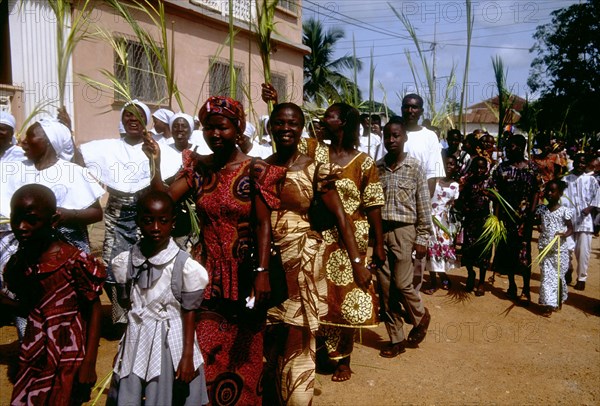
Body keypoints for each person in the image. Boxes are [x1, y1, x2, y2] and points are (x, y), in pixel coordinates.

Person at [143, 95, 286, 405]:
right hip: (205, 272)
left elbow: (264, 225)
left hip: (246, 272)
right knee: (204, 349)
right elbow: (165, 201)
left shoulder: (255, 170)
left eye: (221, 127)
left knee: (244, 354)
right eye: (208, 128)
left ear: (238, 128)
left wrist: (262, 273)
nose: (215, 134)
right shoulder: (197, 168)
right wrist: (153, 163)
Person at [263, 102, 371, 404]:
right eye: (280, 123)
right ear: (270, 126)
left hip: (303, 268)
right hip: (268, 266)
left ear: (302, 130)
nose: (286, 129)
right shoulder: (261, 167)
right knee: (272, 340)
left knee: (299, 341)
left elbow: (341, 218)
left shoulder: (316, 168)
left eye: (293, 124)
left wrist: (357, 262)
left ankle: (298, 397)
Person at [79, 99, 181, 323]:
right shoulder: (108, 148)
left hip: (146, 216)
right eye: (128, 115)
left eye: (138, 116)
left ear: (146, 120)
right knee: (112, 263)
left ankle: (144, 308)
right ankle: (120, 314)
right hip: (116, 216)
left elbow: (165, 186)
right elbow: (78, 158)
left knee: (146, 262)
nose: (132, 119)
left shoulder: (159, 148)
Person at [2, 184, 105, 405]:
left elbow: (94, 307)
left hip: (69, 349)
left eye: (31, 219)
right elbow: (30, 307)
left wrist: (89, 362)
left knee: (63, 397)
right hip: (35, 348)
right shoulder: (21, 263)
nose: (21, 227)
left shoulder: (74, 262)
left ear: (53, 220)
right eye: (16, 218)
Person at [107, 191, 209, 405]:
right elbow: (128, 306)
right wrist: (123, 349)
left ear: (172, 223)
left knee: (163, 394)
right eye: (148, 221)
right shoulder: (126, 261)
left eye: (162, 221)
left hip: (170, 343)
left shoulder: (183, 265)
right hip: (136, 339)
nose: (155, 228)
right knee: (130, 391)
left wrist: (187, 356)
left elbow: (189, 312)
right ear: (137, 222)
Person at [316, 102, 384, 382]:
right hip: (320, 233)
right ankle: (320, 351)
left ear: (343, 122)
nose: (323, 118)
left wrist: (378, 245)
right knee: (321, 294)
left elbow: (373, 204)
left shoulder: (364, 163)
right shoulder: (315, 152)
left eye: (330, 115)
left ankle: (344, 359)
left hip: (352, 238)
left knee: (347, 296)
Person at [376, 117, 432, 357]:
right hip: (380, 232)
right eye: (387, 136)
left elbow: (424, 205)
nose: (391, 140)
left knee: (402, 283)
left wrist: (423, 238)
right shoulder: (377, 168)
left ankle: (420, 316)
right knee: (386, 289)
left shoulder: (415, 167)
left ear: (405, 137)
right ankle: (396, 338)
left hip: (405, 231)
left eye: (396, 135)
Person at [490, 134, 540, 305]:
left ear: (519, 147)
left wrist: (531, 215)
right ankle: (511, 284)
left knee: (525, 254)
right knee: (509, 251)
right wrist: (496, 217)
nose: (507, 149)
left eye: (510, 146)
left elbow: (536, 192)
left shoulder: (532, 168)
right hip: (506, 218)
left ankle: (526, 288)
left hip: (524, 219)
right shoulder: (501, 168)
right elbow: (495, 193)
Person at [535, 180, 573, 317]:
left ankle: (558, 299)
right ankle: (549, 304)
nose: (549, 194)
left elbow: (570, 229)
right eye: (548, 191)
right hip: (545, 247)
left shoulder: (564, 211)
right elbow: (538, 221)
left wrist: (563, 234)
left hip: (559, 249)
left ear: (560, 194)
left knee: (558, 276)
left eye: (553, 191)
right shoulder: (542, 209)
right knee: (546, 275)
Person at [456, 156, 493, 296]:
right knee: (468, 251)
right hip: (470, 223)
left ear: (486, 169)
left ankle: (481, 282)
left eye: (482, 167)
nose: (479, 170)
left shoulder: (489, 182)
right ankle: (470, 273)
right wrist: (463, 207)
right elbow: (460, 201)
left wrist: (489, 194)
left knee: (484, 253)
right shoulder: (468, 183)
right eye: (476, 167)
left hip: (485, 223)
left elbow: (497, 199)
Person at [563, 153, 600, 291]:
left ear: (586, 165)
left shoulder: (591, 180)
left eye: (583, 163)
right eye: (578, 162)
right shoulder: (566, 179)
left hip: (584, 221)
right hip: (568, 221)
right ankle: (568, 269)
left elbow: (597, 197)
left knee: (583, 252)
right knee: (565, 248)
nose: (580, 165)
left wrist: (589, 208)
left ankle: (582, 278)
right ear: (574, 163)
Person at [424, 155, 460, 295]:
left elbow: (454, 206)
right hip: (430, 219)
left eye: (452, 164)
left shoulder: (455, 186)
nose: (449, 166)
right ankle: (433, 282)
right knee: (431, 249)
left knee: (442, 251)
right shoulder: (434, 182)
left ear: (456, 167)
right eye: (447, 164)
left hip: (444, 223)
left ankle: (443, 276)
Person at [400, 94, 446, 196]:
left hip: (418, 197)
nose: (410, 110)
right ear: (402, 109)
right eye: (406, 107)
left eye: (414, 107)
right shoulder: (391, 135)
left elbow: (432, 175)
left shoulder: (430, 136)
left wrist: (425, 204)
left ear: (421, 111)